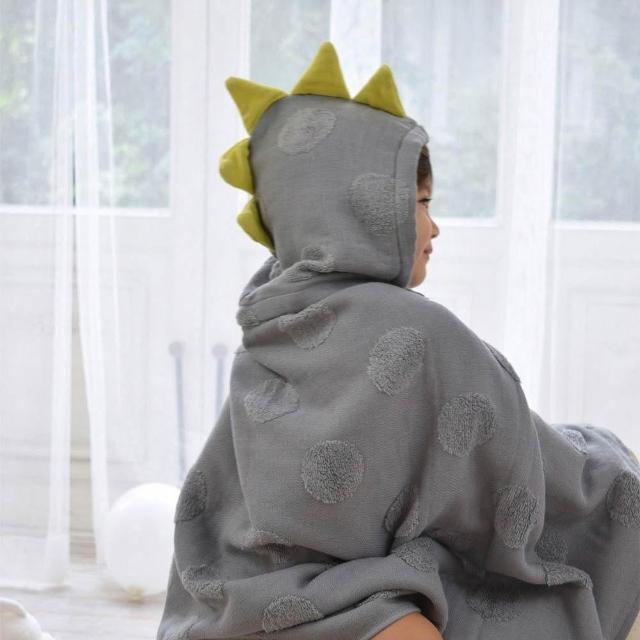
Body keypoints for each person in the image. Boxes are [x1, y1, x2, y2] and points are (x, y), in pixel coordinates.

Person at [156, 41, 640, 640]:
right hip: (335, 593)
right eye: (420, 203)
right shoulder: (417, 331)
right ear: (361, 209)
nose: (434, 227)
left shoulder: (269, 319)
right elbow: (519, 468)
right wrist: (608, 464)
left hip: (242, 594)